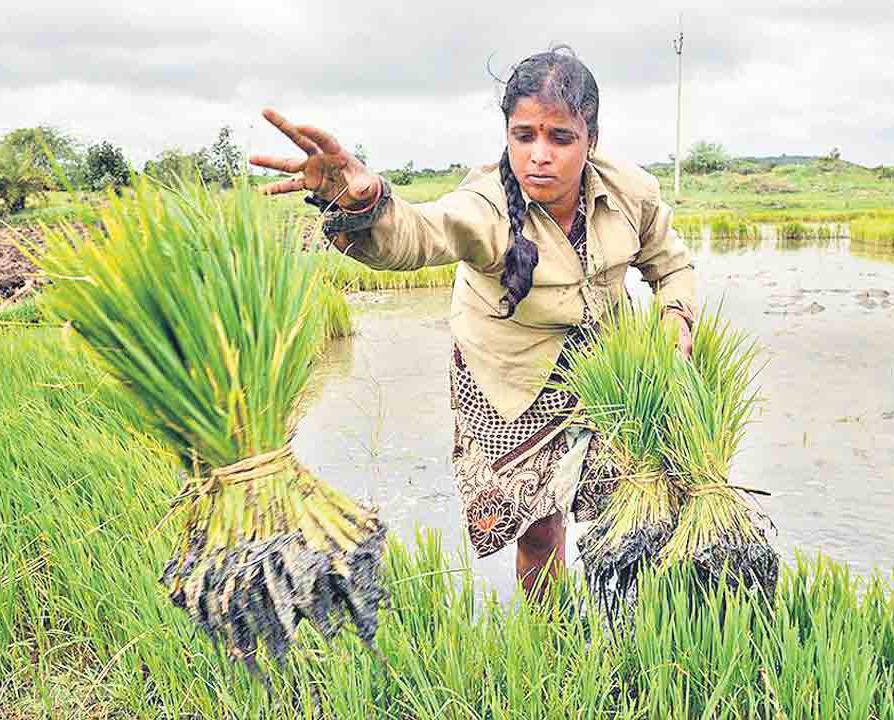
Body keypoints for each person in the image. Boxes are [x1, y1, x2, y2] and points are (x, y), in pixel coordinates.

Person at [250, 46, 698, 599]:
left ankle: (627, 621)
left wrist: (677, 316)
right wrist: (364, 203)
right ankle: (550, 636)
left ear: (592, 140)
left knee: (624, 511)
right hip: (509, 377)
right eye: (523, 135)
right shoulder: (484, 204)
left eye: (561, 138)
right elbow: (420, 233)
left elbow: (671, 263)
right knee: (537, 529)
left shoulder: (632, 193)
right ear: (507, 134)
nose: (539, 155)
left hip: (606, 369)